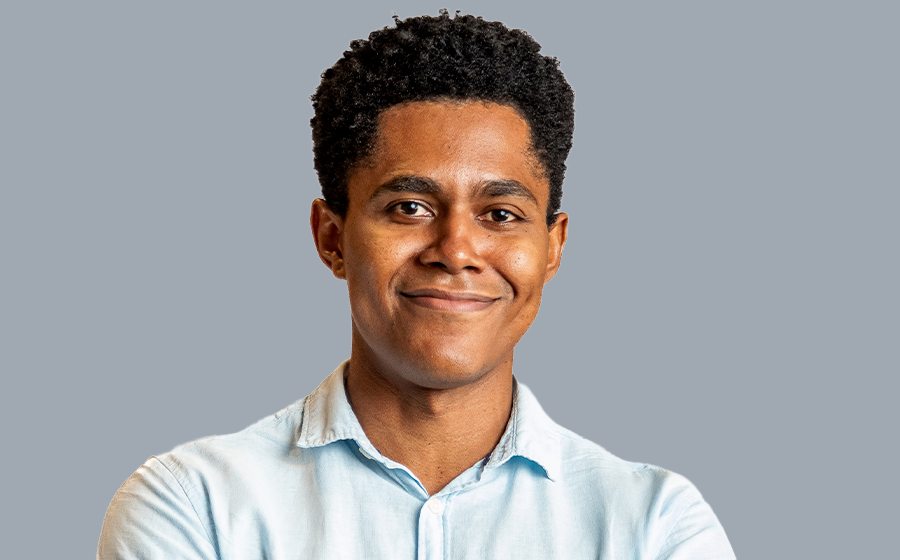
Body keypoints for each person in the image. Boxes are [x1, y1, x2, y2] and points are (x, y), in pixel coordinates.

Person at [98, 11, 735, 559]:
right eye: (409, 207)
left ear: (553, 246)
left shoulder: (653, 524)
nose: (455, 251)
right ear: (332, 237)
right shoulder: (193, 506)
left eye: (501, 214)